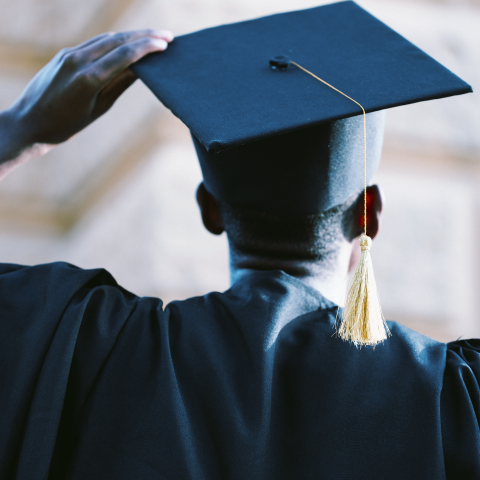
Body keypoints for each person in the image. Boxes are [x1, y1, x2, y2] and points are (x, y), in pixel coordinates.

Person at [0, 4, 478, 479]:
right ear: (368, 214)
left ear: (209, 209)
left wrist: (20, 127)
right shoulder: (455, 400)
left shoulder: (82, 348)